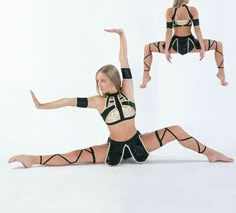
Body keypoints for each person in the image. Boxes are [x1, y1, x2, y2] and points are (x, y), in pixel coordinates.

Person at [8, 29, 233, 168]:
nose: (100, 85)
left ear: (114, 80)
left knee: (175, 129)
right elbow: (68, 100)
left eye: (103, 80)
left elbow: (123, 59)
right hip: (113, 149)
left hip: (138, 144)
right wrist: (41, 106)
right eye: (98, 81)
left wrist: (122, 35)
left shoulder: (127, 91)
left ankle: (210, 153)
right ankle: (32, 159)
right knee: (74, 156)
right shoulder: (98, 101)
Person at [140, 0, 228, 88]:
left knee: (147, 48)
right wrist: (202, 48)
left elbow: (169, 32)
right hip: (191, 44)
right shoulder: (193, 10)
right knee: (218, 45)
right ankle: (221, 73)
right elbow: (197, 29)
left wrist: (167, 50)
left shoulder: (170, 11)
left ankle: (146, 76)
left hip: (174, 45)